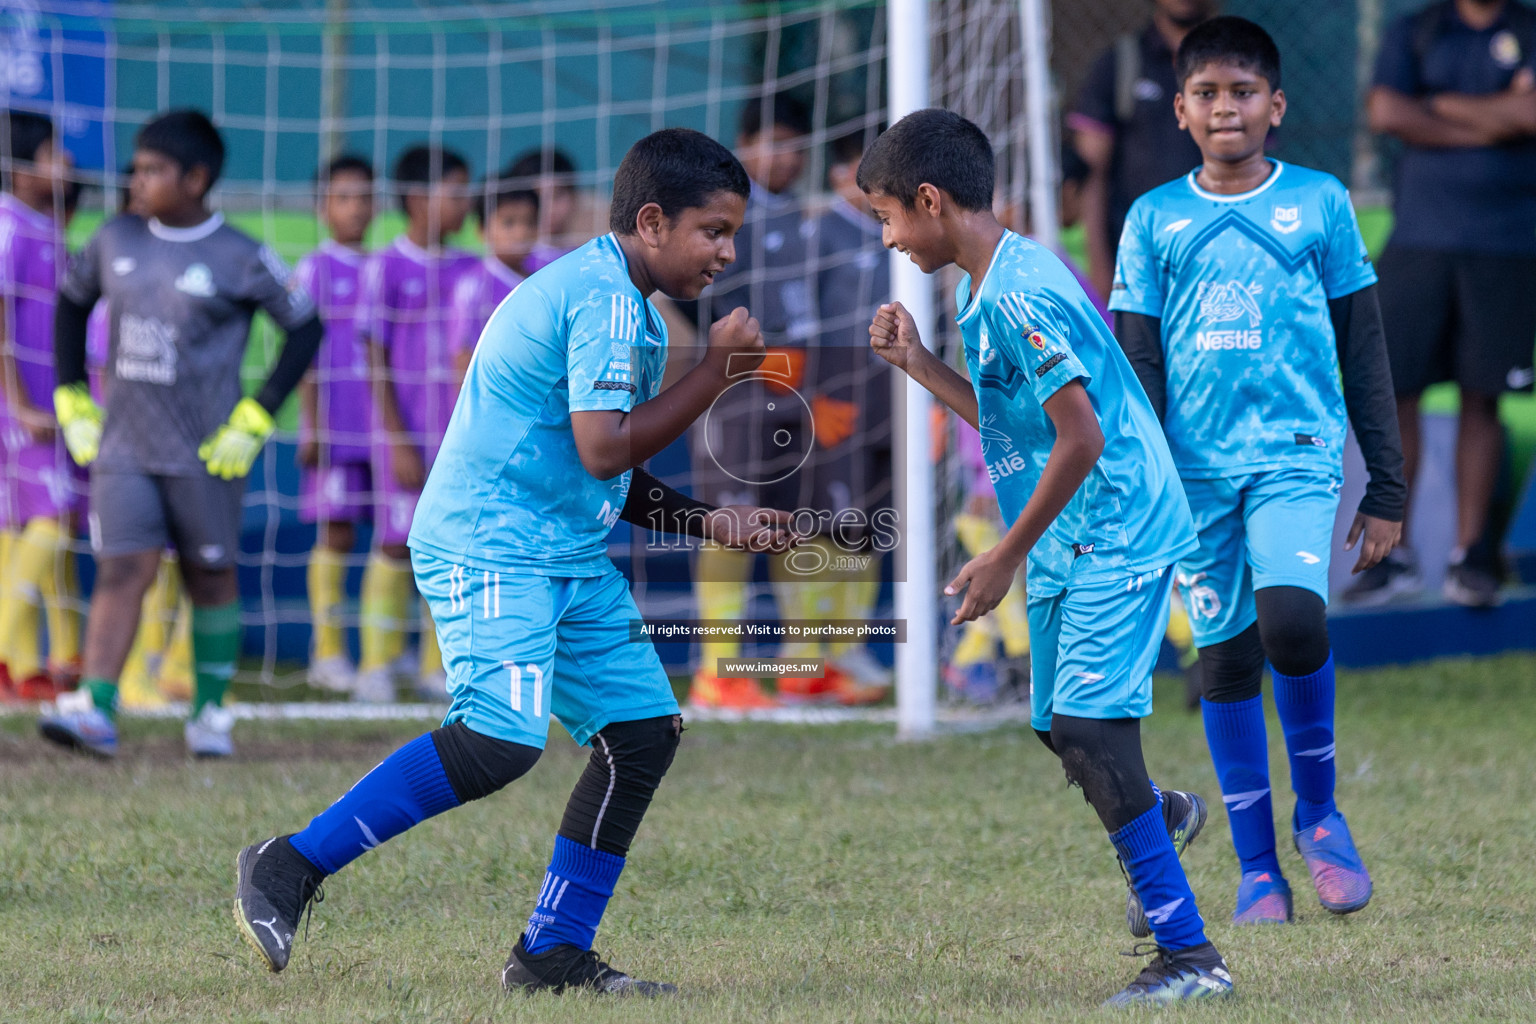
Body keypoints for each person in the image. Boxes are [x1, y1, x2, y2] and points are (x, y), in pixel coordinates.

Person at [232, 127, 794, 995]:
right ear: (652, 221)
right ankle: (288, 865)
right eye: (713, 231)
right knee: (499, 738)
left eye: (732, 233)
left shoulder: (629, 304)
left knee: (641, 736)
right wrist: (717, 372)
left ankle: (551, 954)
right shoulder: (605, 301)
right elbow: (605, 450)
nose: (727, 252)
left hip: (562, 551)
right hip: (490, 543)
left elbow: (595, 464)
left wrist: (710, 522)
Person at [862, 108, 1231, 1006]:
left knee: (1091, 734)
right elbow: (1014, 420)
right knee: (1058, 727)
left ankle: (1193, 961)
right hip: (1071, 529)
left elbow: (1082, 437)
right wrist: (918, 363)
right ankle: (1169, 814)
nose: (889, 238)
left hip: (1117, 525)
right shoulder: (976, 286)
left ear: (931, 200)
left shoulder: (1023, 290)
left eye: (888, 219)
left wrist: (1002, 558)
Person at [1112, 17, 1404, 925]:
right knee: (1226, 660)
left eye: (1243, 92)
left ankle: (1319, 817)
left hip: (1296, 457)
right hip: (1194, 478)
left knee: (1289, 622)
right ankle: (1257, 870)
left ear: (1275, 107)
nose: (1226, 107)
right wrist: (1142, 486)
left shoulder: (1319, 203)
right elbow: (1138, 362)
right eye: (1207, 93)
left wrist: (1386, 486)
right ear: (1182, 110)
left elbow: (1364, 347)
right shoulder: (1153, 218)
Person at [39, 108, 324, 757]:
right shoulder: (115, 238)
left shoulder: (242, 254)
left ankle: (209, 714)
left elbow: (306, 326)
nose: (136, 180)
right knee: (122, 570)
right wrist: (71, 396)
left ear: (195, 178)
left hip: (206, 455)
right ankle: (97, 709)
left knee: (210, 579)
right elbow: (71, 302)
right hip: (122, 449)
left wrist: (257, 415)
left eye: (152, 170)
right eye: (136, 168)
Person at [1354, 0, 1536, 607]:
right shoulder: (1417, 29)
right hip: (1417, 239)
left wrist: (1440, 105)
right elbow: (1385, 111)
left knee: (1481, 396)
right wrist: (1497, 119)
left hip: (1508, 243)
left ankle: (1470, 555)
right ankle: (1393, 556)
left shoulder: (1528, 28)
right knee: (1395, 388)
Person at [689, 93, 818, 710]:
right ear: (745, 147)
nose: (785, 157)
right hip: (738, 392)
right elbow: (698, 295)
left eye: (795, 145)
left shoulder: (800, 218)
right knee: (729, 522)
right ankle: (718, 670)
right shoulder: (723, 216)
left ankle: (799, 664)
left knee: (790, 524)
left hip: (796, 393)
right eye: (772, 142)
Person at [355, 144, 477, 703]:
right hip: (404, 435)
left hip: (458, 437)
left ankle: (439, 667)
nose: (464, 202)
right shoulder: (385, 266)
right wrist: (395, 437)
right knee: (395, 544)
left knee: (452, 546)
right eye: (454, 191)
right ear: (416, 198)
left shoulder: (471, 270)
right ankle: (375, 665)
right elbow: (372, 357)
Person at [0, 110, 83, 703]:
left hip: (48, 408)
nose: (66, 165)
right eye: (55, 154)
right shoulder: (7, 225)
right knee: (50, 523)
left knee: (22, 527)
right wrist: (18, 402)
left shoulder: (44, 227)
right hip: (19, 411)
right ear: (21, 166)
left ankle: (22, 669)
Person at [294, 154, 376, 696]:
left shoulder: (381, 267)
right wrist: (312, 424)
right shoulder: (313, 269)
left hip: (383, 429)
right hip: (335, 426)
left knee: (395, 539)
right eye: (344, 197)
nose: (357, 208)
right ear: (323, 206)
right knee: (337, 532)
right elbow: (300, 353)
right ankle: (327, 653)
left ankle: (383, 656)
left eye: (366, 197)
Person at [1069, 0, 1216, 300]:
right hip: (1135, 268)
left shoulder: (1239, 66)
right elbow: (1089, 174)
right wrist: (1100, 267)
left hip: (1215, 260)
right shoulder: (1119, 64)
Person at [446, 176, 536, 379]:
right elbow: (462, 353)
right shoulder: (472, 286)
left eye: (529, 222)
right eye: (509, 223)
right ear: (482, 230)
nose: (522, 232)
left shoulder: (543, 280)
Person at [504, 147, 581, 273]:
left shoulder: (585, 258)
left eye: (557, 195)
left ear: (574, 197)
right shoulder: (514, 263)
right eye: (538, 197)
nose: (549, 207)